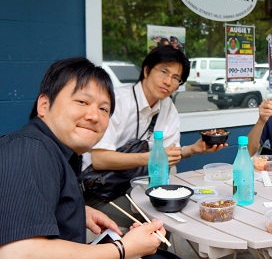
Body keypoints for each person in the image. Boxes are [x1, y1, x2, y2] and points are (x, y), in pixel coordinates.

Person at [0, 57, 166, 258]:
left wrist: (77, 211)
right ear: (44, 105)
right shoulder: (29, 149)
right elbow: (18, 253)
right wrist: (123, 249)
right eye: (82, 102)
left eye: (103, 109)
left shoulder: (60, 151)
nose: (94, 116)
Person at [82, 45, 226, 223]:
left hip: (135, 187)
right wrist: (150, 158)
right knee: (160, 217)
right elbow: (99, 160)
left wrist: (193, 149)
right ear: (146, 70)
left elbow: (166, 156)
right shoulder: (116, 101)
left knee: (172, 206)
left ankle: (159, 250)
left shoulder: (167, 108)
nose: (168, 82)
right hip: (100, 193)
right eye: (164, 72)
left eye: (176, 78)